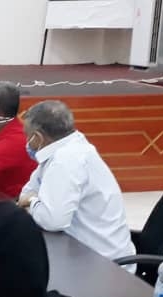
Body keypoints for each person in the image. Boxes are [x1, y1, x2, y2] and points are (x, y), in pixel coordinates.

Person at [17, 100, 136, 262]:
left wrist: (32, 201)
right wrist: (34, 202)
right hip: (79, 250)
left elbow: (52, 221)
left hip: (104, 263)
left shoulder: (67, 159)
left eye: (27, 136)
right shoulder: (63, 149)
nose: (26, 142)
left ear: (38, 137)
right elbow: (26, 192)